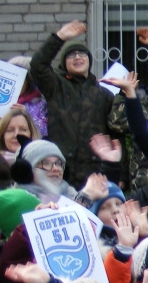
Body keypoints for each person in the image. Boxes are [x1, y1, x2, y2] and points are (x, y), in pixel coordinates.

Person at [28, 20, 118, 187]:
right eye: (71, 55)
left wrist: (120, 174)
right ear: (64, 63)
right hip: (61, 171)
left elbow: (115, 136)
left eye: (82, 54)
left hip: (94, 173)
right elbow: (37, 66)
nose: (77, 57)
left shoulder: (104, 95)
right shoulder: (56, 86)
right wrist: (59, 38)